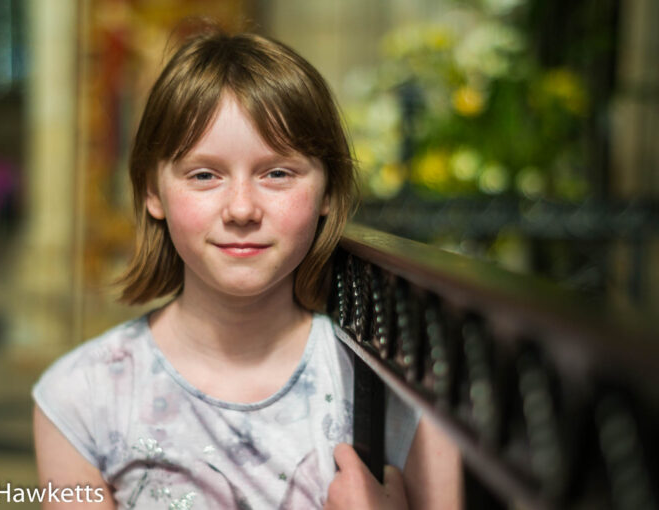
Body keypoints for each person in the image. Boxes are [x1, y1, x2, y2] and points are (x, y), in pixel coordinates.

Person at [32, 28, 461, 509]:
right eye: (204, 175)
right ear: (153, 191)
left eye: (277, 173)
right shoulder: (81, 396)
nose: (241, 209)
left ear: (327, 191)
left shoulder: (402, 392)